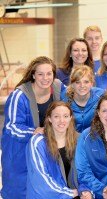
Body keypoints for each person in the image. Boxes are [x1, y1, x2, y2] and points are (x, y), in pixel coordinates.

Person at [1, 56, 65, 199]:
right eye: (40, 74)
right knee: (20, 192)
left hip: (45, 149)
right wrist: (34, 131)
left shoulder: (58, 88)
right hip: (19, 152)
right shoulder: (19, 95)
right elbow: (11, 127)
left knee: (45, 189)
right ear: (33, 75)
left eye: (49, 73)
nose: (45, 78)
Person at [26, 101, 84, 198]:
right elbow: (40, 181)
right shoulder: (37, 142)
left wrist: (84, 189)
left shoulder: (79, 140)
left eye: (65, 116)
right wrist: (70, 193)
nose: (62, 121)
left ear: (70, 118)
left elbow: (85, 171)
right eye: (56, 116)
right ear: (49, 119)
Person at [61, 65, 105, 133]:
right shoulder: (64, 99)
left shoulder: (101, 95)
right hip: (71, 139)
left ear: (91, 83)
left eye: (86, 82)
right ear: (72, 84)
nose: (82, 86)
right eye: (77, 82)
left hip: (94, 138)